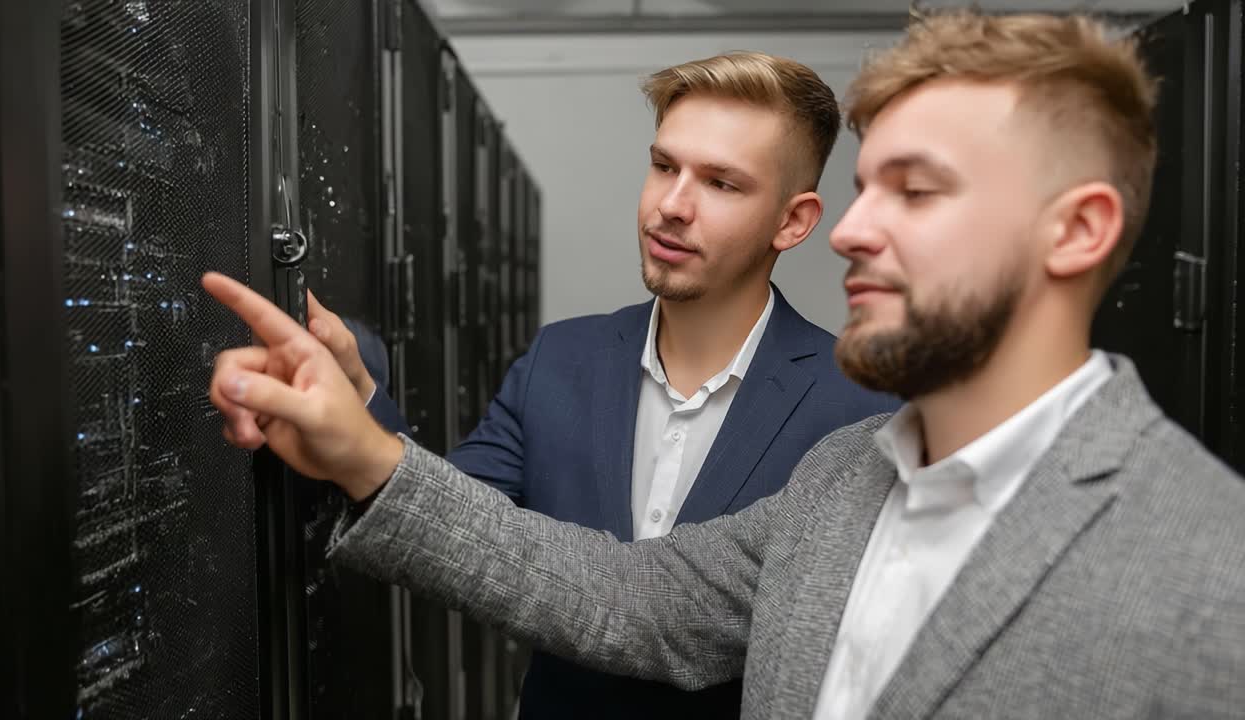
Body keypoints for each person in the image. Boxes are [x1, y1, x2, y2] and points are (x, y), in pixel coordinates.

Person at [206, 10, 1245, 719]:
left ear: (1076, 231)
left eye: (917, 191)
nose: (853, 232)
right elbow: (619, 599)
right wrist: (363, 444)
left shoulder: (1209, 569)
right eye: (867, 188)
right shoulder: (847, 481)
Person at [301, 51, 896, 718]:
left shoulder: (860, 410)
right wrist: (359, 398)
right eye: (664, 166)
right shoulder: (561, 360)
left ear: (793, 221)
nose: (671, 206)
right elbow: (452, 525)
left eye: (721, 184)